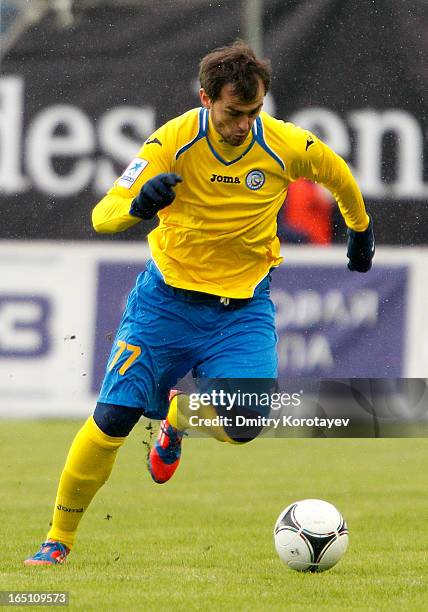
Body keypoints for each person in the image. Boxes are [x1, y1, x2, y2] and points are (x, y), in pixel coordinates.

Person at [24, 40, 374, 565]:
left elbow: (337, 174)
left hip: (243, 310)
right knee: (112, 419)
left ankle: (179, 417)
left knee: (247, 423)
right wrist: (139, 205)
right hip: (165, 303)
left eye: (253, 112)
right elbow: (104, 213)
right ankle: (58, 541)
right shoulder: (172, 142)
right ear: (207, 98)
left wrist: (360, 227)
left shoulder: (284, 143)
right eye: (234, 112)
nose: (243, 125)